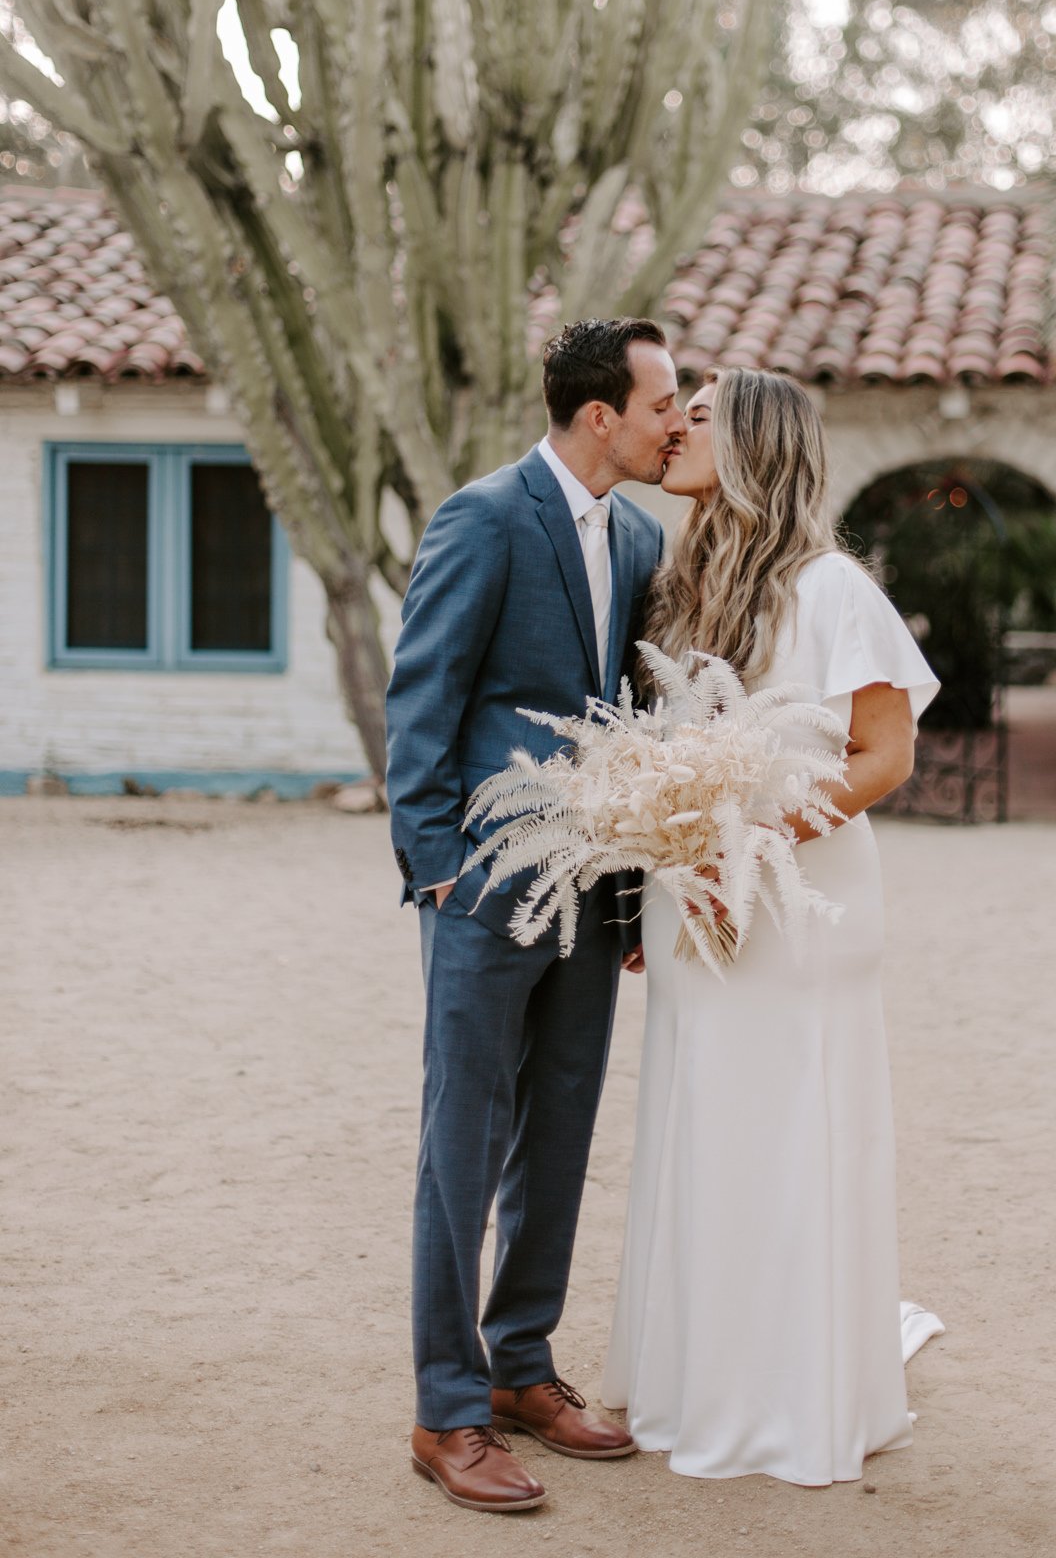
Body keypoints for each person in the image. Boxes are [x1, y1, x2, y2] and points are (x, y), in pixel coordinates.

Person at [602, 367, 941, 1486]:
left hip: (799, 906)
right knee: (702, 1126)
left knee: (788, 1131)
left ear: (753, 441)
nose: (675, 427)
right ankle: (701, 1378)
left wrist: (745, 851)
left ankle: (795, 1394)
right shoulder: (675, 588)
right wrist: (666, 863)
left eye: (698, 414)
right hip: (691, 906)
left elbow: (882, 756)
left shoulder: (834, 586)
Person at [386, 318, 685, 1514]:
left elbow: (624, 719)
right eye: (664, 400)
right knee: (462, 1146)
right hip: (483, 885)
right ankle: (446, 1409)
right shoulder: (483, 514)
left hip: (592, 888)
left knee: (557, 1131)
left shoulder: (645, 534)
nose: (679, 419)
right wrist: (434, 862)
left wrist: (630, 885)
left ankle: (522, 1369)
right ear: (600, 414)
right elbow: (426, 690)